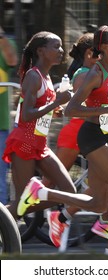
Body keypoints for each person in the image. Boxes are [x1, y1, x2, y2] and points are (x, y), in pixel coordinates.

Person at [17, 26, 108, 255]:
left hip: (104, 136)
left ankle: (43, 194)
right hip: (91, 137)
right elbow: (70, 110)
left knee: (99, 203)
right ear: (103, 48)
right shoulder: (95, 73)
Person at [2, 31, 94, 219]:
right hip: (25, 143)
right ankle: (6, 224)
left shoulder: (47, 77)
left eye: (61, 46)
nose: (61, 50)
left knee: (69, 191)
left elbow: (39, 109)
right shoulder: (33, 76)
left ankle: (29, 201)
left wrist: (54, 109)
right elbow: (26, 115)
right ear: (41, 51)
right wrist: (55, 102)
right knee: (21, 203)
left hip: (40, 144)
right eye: (56, 46)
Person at [0, 26, 18, 205]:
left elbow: (12, 60)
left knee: (0, 175)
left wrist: (1, 36)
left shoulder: (5, 43)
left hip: (0, 122)